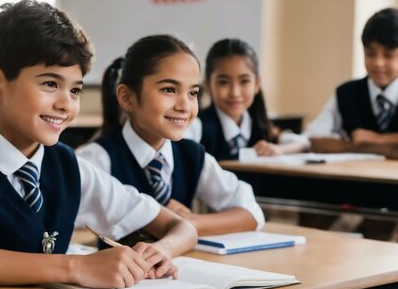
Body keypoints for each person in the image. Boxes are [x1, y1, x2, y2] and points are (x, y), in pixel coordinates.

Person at [0, 0, 197, 289]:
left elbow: (181, 227)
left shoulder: (69, 167)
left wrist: (163, 250)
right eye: (49, 84)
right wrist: (76, 266)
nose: (65, 104)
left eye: (75, 90)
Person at [76, 35, 264, 240]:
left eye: (192, 93)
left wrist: (187, 224)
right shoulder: (95, 160)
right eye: (169, 90)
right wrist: (175, 225)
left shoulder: (192, 155)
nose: (184, 106)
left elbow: (252, 213)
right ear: (127, 97)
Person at [305, 8, 398, 160]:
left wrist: (378, 139)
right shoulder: (346, 92)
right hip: (360, 179)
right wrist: (381, 149)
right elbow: (313, 139)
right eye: (370, 53)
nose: (378, 63)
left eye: (389, 55)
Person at [185, 38, 309, 160]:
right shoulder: (197, 125)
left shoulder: (259, 124)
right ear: (207, 85)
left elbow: (304, 143)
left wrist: (279, 149)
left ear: (257, 84)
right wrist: (253, 154)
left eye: (244, 81)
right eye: (223, 82)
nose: (235, 93)